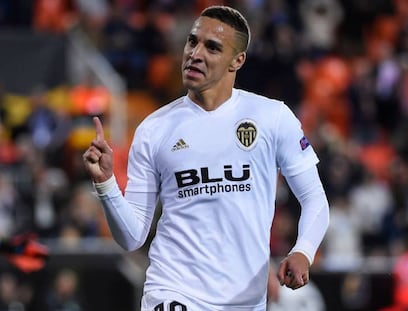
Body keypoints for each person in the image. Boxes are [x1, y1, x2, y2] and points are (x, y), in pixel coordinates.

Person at [83, 5, 330, 310]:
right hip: (174, 291)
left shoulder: (272, 117)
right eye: (192, 41)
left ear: (237, 60)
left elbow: (315, 199)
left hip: (244, 301)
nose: (195, 53)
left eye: (212, 47)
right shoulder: (154, 129)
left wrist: (303, 251)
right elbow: (133, 236)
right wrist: (106, 183)